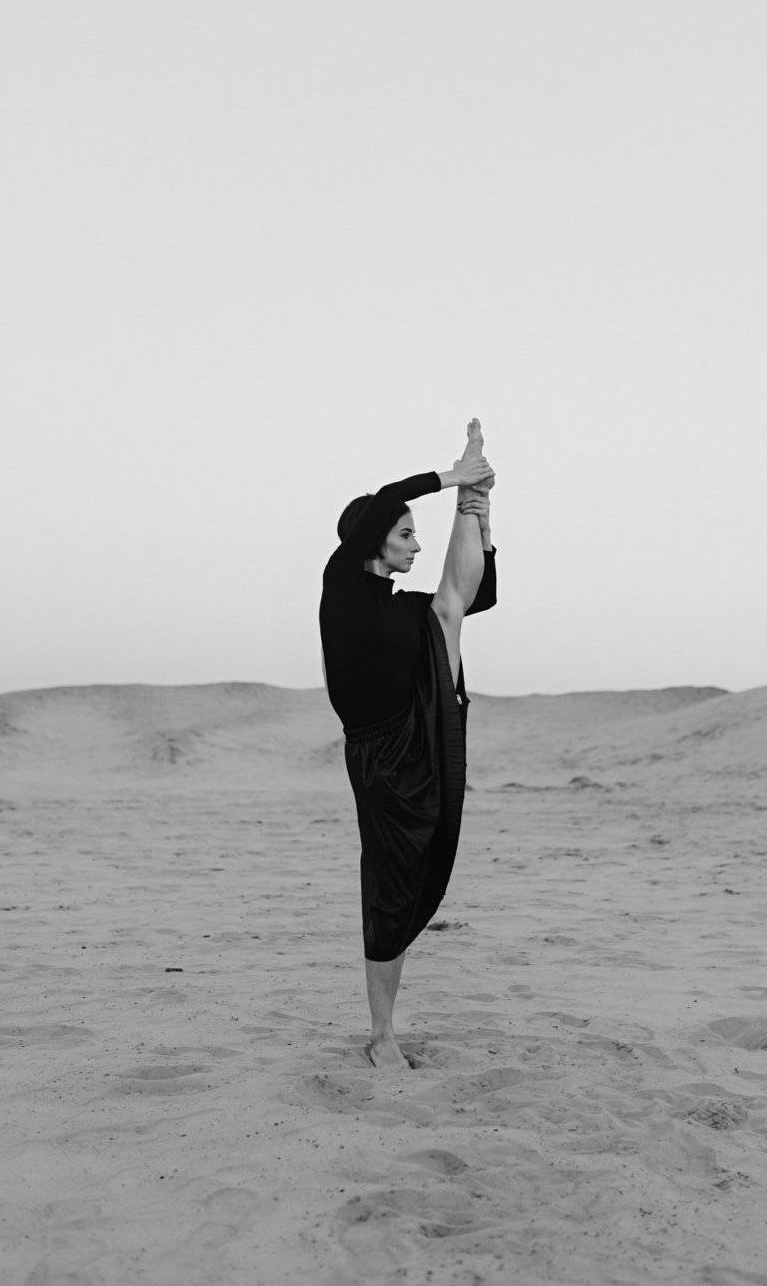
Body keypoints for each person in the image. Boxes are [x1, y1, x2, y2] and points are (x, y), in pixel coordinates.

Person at [319, 418, 498, 1067]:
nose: (414, 544)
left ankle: (472, 507)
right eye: (404, 534)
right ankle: (382, 1036)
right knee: (390, 888)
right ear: (372, 540)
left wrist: (475, 504)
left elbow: (470, 593)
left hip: (425, 736)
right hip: (379, 754)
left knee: (447, 609)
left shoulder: (402, 610)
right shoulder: (342, 588)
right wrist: (451, 473)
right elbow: (389, 496)